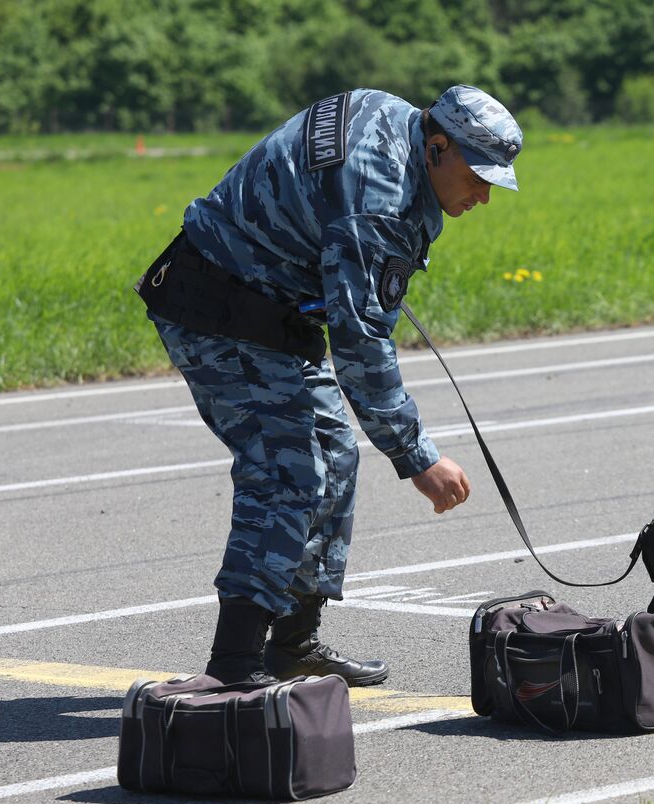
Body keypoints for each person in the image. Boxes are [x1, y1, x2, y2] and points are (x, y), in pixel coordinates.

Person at [134, 85, 522, 686]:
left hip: (274, 310)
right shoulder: (380, 198)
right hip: (216, 308)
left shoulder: (394, 119)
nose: (485, 196)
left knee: (335, 455)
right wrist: (418, 457)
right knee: (286, 472)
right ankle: (233, 665)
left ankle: (292, 642)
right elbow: (361, 343)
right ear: (437, 146)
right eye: (478, 177)